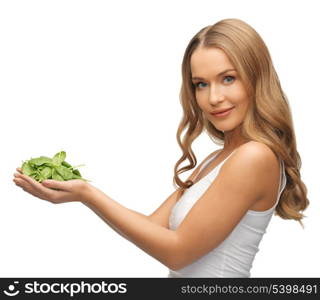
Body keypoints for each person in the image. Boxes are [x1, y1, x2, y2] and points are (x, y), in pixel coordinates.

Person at [13, 18, 309, 278]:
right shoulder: (216, 159)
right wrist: (78, 194)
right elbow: (153, 227)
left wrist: (89, 194)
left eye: (228, 78)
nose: (213, 97)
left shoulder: (254, 157)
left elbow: (177, 252)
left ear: (257, 78)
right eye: (201, 84)